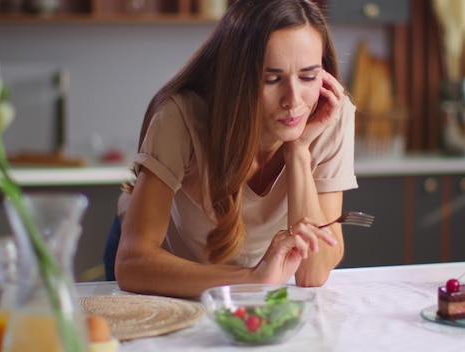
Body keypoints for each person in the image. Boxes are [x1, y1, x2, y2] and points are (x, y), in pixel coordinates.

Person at [105, 0, 358, 298]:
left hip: (256, 277)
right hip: (168, 272)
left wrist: (298, 151)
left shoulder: (329, 114)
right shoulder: (180, 118)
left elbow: (312, 273)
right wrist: (251, 279)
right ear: (236, 79)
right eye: (271, 79)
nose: (293, 100)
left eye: (308, 76)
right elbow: (133, 263)